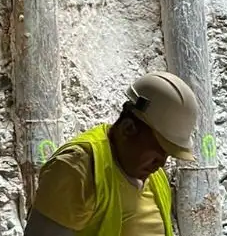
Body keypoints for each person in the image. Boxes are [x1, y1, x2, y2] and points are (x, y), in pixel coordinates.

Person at [23, 71, 201, 236]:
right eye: (158, 151)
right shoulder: (77, 169)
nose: (161, 164)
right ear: (128, 129)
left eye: (168, 155)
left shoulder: (153, 176)